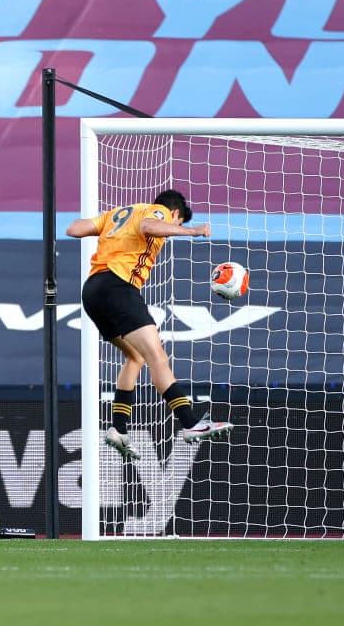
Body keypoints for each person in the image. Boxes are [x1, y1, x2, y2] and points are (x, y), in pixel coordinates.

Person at [66, 189, 234, 460]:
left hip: (92, 291)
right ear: (175, 213)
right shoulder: (159, 212)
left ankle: (118, 428)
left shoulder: (116, 214)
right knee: (158, 356)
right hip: (119, 287)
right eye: (176, 223)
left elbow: (73, 229)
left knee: (136, 356)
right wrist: (191, 231)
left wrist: (109, 231)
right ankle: (190, 422)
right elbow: (148, 225)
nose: (171, 227)